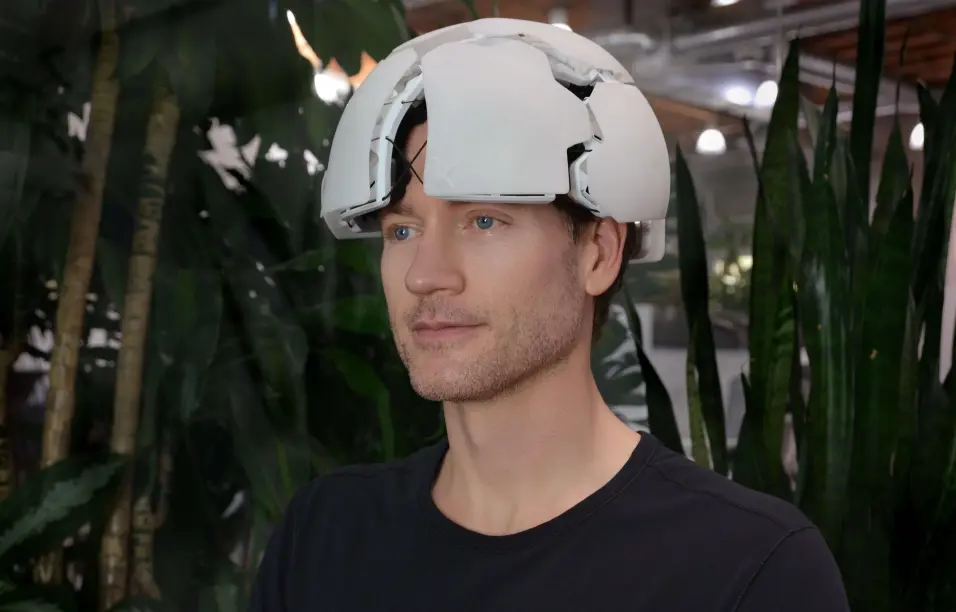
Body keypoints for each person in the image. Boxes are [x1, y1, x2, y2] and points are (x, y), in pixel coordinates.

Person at [248, 17, 849, 611]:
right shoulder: (325, 535)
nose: (423, 275)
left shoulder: (748, 568)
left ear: (599, 253)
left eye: (484, 221)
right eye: (402, 230)